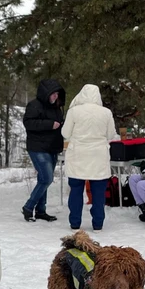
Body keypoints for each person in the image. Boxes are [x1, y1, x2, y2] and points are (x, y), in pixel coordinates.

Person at [62, 84, 117, 231]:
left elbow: (65, 133)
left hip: (77, 156)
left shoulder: (74, 111)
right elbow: (111, 135)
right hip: (98, 156)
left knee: (76, 190)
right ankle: (98, 223)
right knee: (98, 193)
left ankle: (75, 222)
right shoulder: (106, 112)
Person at [22, 79, 66, 222]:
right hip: (38, 148)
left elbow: (58, 125)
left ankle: (41, 210)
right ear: (46, 93)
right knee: (47, 178)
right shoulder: (34, 105)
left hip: (52, 147)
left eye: (57, 94)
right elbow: (28, 123)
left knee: (43, 179)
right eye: (53, 94)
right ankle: (29, 207)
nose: (55, 97)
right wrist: (49, 125)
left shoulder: (57, 108)